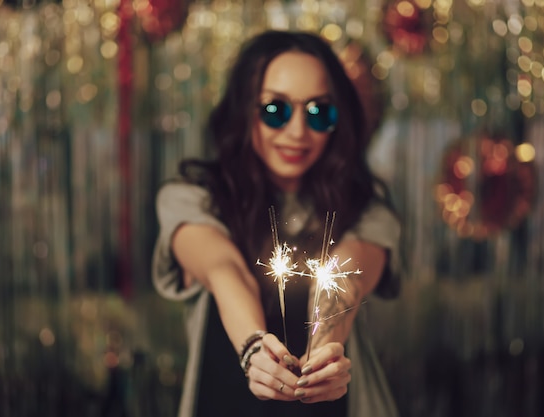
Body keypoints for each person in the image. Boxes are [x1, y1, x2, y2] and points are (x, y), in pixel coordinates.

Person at [152, 30, 401, 417]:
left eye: (318, 111)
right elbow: (224, 270)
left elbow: (344, 282)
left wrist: (324, 352)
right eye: (275, 110)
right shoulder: (190, 200)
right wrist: (254, 349)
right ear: (243, 110)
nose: (298, 132)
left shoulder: (369, 211)